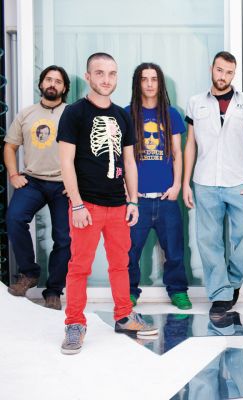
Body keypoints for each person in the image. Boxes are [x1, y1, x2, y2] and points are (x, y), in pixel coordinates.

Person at [57, 52, 157, 355]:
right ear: (88, 76)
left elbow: (129, 161)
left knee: (120, 264)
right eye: (99, 73)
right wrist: (77, 204)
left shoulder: (122, 116)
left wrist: (133, 201)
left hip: (117, 206)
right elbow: (66, 161)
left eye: (112, 74)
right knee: (79, 267)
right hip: (86, 205)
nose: (106, 79)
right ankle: (75, 323)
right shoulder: (74, 113)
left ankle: (124, 316)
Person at [183, 51, 243, 317]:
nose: (223, 76)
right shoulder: (195, 102)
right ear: (211, 69)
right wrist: (185, 183)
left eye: (228, 72)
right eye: (219, 70)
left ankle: (233, 281)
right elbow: (190, 145)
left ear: (233, 74)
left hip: (238, 181)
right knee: (209, 240)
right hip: (204, 181)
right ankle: (220, 294)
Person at [4, 65, 71, 310]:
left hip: (63, 184)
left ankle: (53, 291)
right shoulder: (26, 114)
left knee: (64, 238)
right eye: (48, 79)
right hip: (32, 181)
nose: (53, 84)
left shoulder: (72, 113)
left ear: (65, 88)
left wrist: (76, 184)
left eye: (58, 81)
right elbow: (10, 146)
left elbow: (85, 151)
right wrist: (14, 174)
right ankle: (29, 273)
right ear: (41, 84)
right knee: (14, 219)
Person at [125, 62, 191, 310]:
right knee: (130, 251)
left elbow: (177, 153)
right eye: (144, 79)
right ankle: (129, 292)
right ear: (138, 83)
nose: (150, 84)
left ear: (160, 83)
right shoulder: (127, 114)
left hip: (166, 198)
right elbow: (123, 157)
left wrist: (176, 186)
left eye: (154, 79)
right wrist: (128, 194)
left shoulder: (171, 114)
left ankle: (178, 291)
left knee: (174, 250)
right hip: (138, 199)